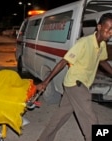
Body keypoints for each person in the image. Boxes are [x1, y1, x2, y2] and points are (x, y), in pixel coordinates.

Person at [36, 13, 112, 141]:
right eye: (109, 28)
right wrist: (45, 82)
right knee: (90, 118)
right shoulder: (84, 42)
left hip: (79, 84)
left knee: (61, 115)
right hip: (76, 83)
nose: (111, 32)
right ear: (99, 27)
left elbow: (102, 60)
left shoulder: (102, 45)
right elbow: (63, 61)